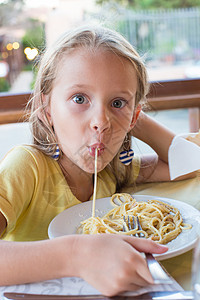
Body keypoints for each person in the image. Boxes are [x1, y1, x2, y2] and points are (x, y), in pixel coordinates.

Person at [0, 24, 194, 296]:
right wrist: (76, 254)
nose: (101, 122)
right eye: (79, 98)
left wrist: (131, 118)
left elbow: (190, 162)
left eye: (116, 103)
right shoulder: (27, 166)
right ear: (47, 110)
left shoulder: (113, 169)